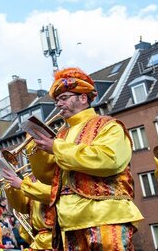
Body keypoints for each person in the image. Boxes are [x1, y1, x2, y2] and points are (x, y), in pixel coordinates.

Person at [28, 67, 143, 250]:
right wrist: (38, 152)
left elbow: (109, 160)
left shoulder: (108, 125)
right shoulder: (61, 135)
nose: (58, 104)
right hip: (70, 222)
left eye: (64, 98)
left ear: (83, 98)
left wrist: (56, 147)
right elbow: (50, 178)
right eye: (57, 100)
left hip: (105, 216)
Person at [2, 166, 55, 251]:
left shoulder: (56, 173)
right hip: (40, 242)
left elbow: (52, 194)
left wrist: (22, 185)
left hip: (56, 240)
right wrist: (13, 186)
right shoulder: (33, 179)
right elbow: (22, 207)